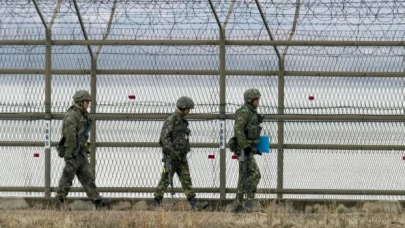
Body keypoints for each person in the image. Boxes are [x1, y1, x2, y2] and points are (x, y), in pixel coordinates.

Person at [55, 90, 110, 210]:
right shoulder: (72, 115)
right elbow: (69, 135)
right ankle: (60, 202)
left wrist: (84, 149)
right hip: (73, 152)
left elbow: (83, 134)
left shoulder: (83, 115)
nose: (88, 104)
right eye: (86, 102)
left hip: (80, 153)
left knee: (88, 178)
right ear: (80, 102)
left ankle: (98, 202)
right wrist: (71, 153)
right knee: (67, 178)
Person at [153, 96, 209, 211]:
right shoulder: (172, 119)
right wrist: (171, 152)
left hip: (181, 157)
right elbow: (164, 138)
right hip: (172, 157)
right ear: (183, 108)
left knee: (186, 180)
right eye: (188, 109)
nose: (189, 111)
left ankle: (194, 204)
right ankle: (156, 203)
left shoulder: (181, 121)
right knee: (165, 179)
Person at [231, 88, 263, 213]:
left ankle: (237, 205)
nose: (258, 101)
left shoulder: (251, 112)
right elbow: (238, 130)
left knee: (243, 176)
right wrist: (246, 147)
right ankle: (249, 201)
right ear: (250, 100)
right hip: (244, 150)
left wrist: (254, 148)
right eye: (256, 99)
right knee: (255, 175)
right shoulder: (244, 112)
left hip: (249, 149)